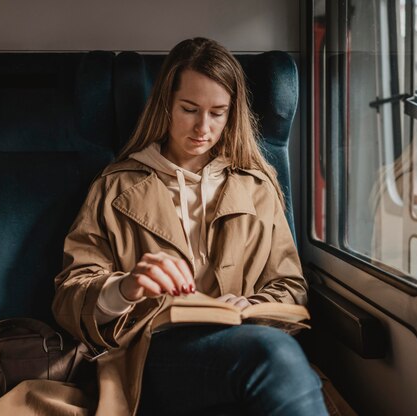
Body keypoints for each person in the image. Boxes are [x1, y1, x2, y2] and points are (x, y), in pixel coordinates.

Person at [52, 37, 328, 416]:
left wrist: (251, 306)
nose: (203, 127)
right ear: (166, 105)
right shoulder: (115, 186)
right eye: (190, 109)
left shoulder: (257, 186)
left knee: (275, 357)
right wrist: (126, 287)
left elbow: (291, 287)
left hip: (242, 342)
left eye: (218, 113)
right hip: (152, 353)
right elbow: (70, 296)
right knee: (275, 356)